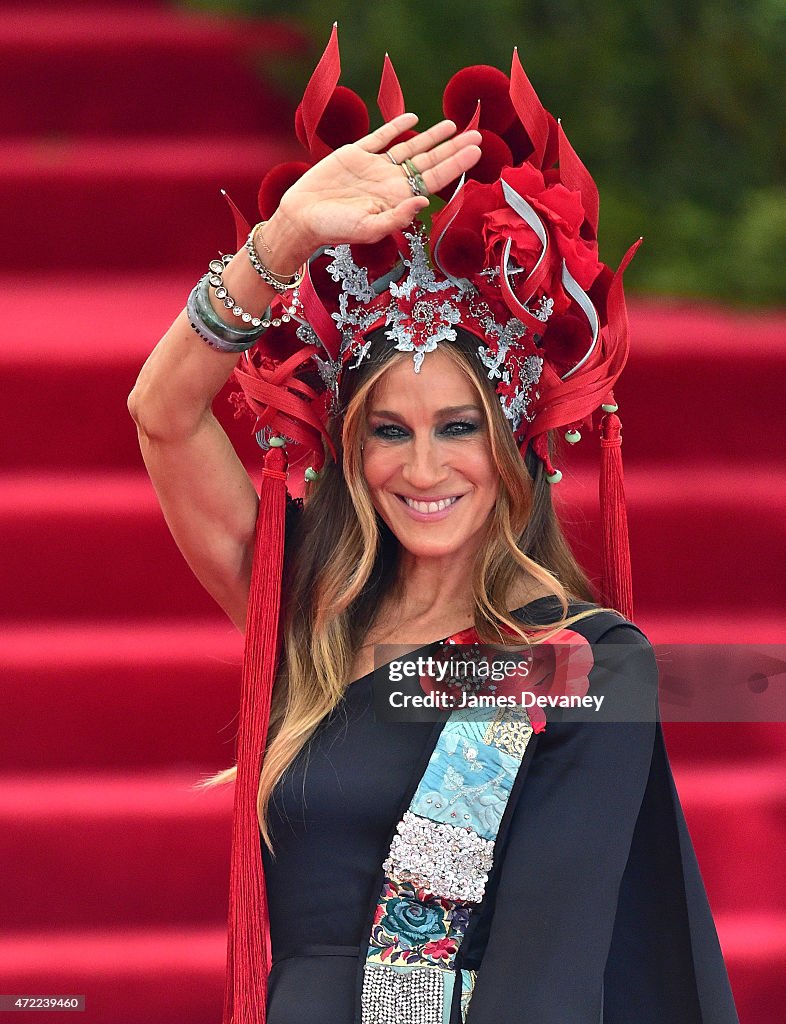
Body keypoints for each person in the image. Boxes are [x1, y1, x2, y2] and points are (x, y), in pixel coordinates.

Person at [128, 31, 740, 1024]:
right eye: (388, 431)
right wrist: (277, 247)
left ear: (511, 445)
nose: (422, 468)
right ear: (351, 447)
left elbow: (545, 979)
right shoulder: (304, 615)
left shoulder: (580, 659)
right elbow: (162, 414)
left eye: (458, 427)